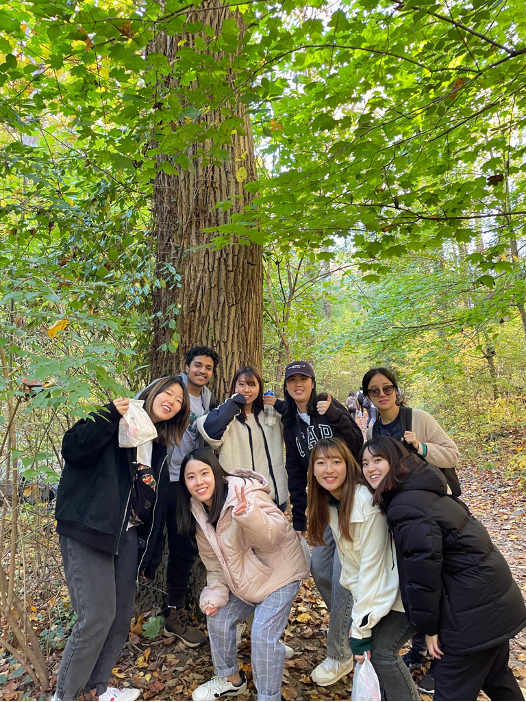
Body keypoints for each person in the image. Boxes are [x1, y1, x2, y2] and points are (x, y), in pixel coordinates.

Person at [52, 377, 190, 702]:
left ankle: (99, 687)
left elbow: (153, 505)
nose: (171, 400)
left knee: (120, 616)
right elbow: (73, 448)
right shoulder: (118, 417)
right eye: (167, 392)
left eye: (179, 400)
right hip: (90, 528)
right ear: (153, 392)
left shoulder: (158, 447)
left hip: (127, 538)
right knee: (96, 616)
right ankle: (65, 695)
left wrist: (150, 558)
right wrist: (110, 414)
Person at [360, 436, 526, 702]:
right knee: (497, 677)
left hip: (472, 617)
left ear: (397, 462)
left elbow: (422, 574)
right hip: (495, 604)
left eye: (378, 460)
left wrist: (430, 628)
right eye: (365, 463)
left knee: (451, 690)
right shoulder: (421, 491)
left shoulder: (405, 506)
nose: (370, 469)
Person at [177, 448, 309, 701]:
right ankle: (231, 679)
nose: (199, 482)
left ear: (216, 472)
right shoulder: (197, 513)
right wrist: (214, 594)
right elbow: (215, 564)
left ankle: (270, 697)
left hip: (280, 574)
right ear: (185, 483)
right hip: (245, 581)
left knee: (261, 634)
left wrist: (249, 515)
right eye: (191, 477)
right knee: (218, 616)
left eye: (204, 473)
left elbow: (277, 534)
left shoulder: (243, 492)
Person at [362, 366, 461, 692]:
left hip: (433, 511)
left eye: (386, 387)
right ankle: (419, 653)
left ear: (396, 388)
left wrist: (422, 447)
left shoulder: (417, 417)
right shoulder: (375, 425)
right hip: (402, 516)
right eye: (374, 390)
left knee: (440, 585)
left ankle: (443, 662)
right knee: (416, 581)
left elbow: (453, 454)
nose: (382, 394)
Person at [307, 437, 419, 700]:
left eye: (336, 462)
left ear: (349, 466)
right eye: (321, 463)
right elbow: (351, 570)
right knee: (372, 653)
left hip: (406, 594)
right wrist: (360, 618)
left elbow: (373, 572)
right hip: (384, 595)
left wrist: (360, 629)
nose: (329, 469)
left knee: (381, 653)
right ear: (312, 469)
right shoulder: (332, 504)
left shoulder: (365, 504)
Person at [278, 360, 363, 686]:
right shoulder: (289, 421)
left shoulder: (328, 405)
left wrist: (335, 415)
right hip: (322, 505)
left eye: (304, 379)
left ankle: (340, 653)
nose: (299, 385)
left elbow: (356, 441)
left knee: (344, 575)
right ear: (287, 386)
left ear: (313, 383)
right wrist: (299, 515)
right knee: (321, 569)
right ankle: (354, 624)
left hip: (351, 500)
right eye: (293, 381)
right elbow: (296, 469)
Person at [164, 346, 219, 647]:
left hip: (190, 481)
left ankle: (175, 613)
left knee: (185, 544)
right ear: (186, 366)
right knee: (158, 543)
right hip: (164, 479)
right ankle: (172, 611)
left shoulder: (208, 398)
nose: (202, 371)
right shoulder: (171, 388)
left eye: (208, 367)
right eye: (197, 365)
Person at [196, 366, 288, 510]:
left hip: (273, 497)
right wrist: (234, 403)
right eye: (242, 384)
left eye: (252, 385)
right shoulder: (226, 415)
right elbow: (210, 432)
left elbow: (297, 416)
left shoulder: (271, 413)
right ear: (234, 387)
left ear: (259, 388)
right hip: (238, 499)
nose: (247, 390)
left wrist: (278, 404)